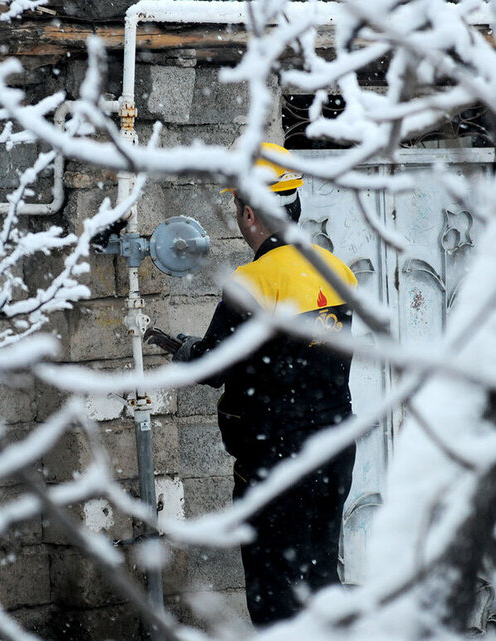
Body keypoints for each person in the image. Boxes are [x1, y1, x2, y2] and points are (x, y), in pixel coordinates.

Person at [173, 143, 358, 626]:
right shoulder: (334, 269)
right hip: (335, 448)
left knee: (276, 595)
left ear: (249, 212)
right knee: (321, 580)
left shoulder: (253, 280)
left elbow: (214, 367)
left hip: (278, 461)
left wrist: (188, 351)